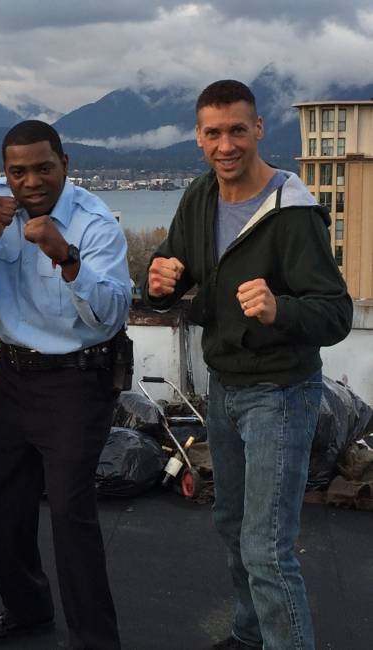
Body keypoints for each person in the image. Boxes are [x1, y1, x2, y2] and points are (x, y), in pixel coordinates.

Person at [145, 80, 352, 650]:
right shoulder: (199, 197)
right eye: (213, 132)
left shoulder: (293, 211)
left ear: (259, 129)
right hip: (225, 387)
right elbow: (175, 267)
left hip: (280, 394)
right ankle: (248, 635)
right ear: (198, 137)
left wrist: (279, 309)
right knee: (232, 528)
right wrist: (160, 281)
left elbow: (335, 313)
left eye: (238, 130)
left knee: (267, 547)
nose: (226, 144)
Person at [0, 120, 130, 649]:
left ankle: (95, 641)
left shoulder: (95, 222)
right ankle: (28, 608)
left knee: (69, 512)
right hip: (13, 374)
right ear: (5, 172)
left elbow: (111, 315)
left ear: (65, 165)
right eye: (18, 171)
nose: (30, 181)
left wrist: (67, 257)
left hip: (78, 379)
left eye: (43, 168)